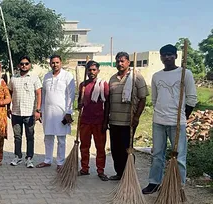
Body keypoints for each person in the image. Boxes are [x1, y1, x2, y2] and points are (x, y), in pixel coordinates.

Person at [142, 44, 197, 194]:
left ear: (176, 56)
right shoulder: (157, 76)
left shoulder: (185, 74)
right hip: (159, 121)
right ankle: (154, 182)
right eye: (164, 55)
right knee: (157, 154)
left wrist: (182, 116)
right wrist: (161, 112)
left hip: (177, 122)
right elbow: (154, 99)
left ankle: (178, 186)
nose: (167, 57)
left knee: (179, 156)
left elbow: (192, 99)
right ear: (160, 57)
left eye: (170, 54)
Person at [105, 52, 148, 180]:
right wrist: (106, 118)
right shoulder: (112, 79)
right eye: (118, 61)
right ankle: (119, 173)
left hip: (128, 121)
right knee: (115, 149)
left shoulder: (136, 77)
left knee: (127, 149)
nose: (120, 63)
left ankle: (129, 175)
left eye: (123, 61)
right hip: (114, 121)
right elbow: (108, 100)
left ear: (128, 62)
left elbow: (143, 98)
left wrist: (136, 117)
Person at [36, 55, 75, 171]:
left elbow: (71, 95)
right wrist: (41, 110)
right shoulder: (47, 76)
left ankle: (60, 162)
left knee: (61, 139)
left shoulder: (67, 76)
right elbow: (44, 95)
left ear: (61, 63)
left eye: (57, 62)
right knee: (48, 137)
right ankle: (48, 160)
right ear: (50, 64)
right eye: (53, 63)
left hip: (61, 113)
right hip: (48, 112)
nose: (55, 65)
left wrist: (69, 112)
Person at [78, 61, 109, 181]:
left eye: (94, 70)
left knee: (100, 147)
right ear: (86, 71)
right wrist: (79, 104)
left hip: (99, 121)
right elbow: (80, 102)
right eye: (89, 70)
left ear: (98, 71)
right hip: (85, 120)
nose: (91, 72)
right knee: (84, 146)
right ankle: (84, 168)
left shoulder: (102, 85)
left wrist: (105, 121)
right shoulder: (83, 85)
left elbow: (107, 104)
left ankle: (100, 170)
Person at [8, 56, 42, 168]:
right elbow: (9, 93)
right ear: (19, 65)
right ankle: (18, 156)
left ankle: (29, 158)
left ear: (30, 65)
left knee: (30, 136)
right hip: (16, 112)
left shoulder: (34, 78)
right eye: (22, 64)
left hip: (29, 113)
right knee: (17, 136)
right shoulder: (13, 78)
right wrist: (8, 107)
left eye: (26, 63)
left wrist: (38, 110)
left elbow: (38, 94)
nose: (24, 65)